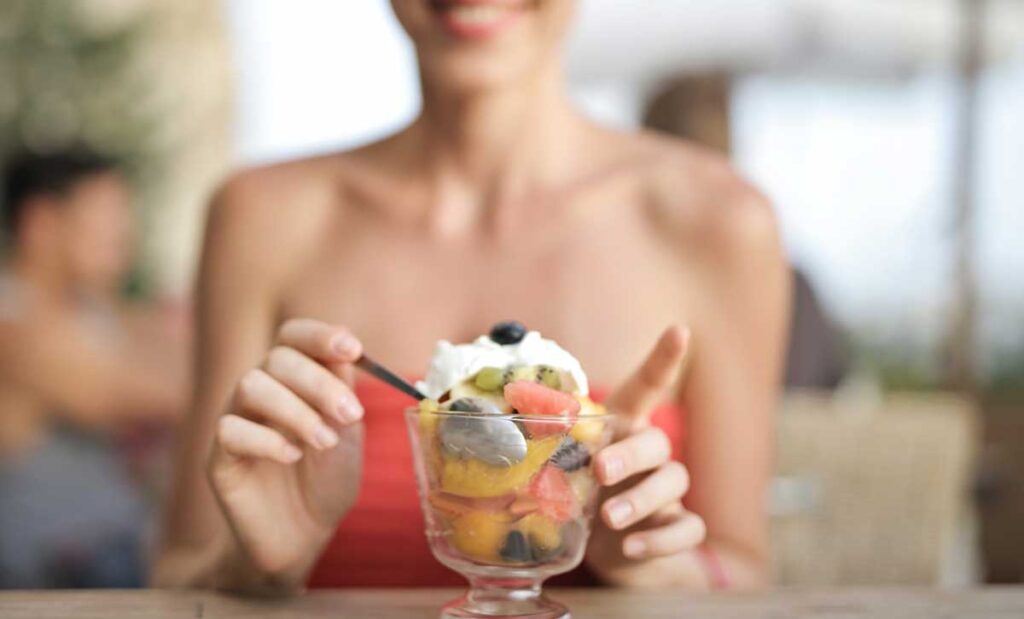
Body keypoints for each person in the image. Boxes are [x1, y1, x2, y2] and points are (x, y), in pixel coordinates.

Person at [155, 0, 790, 594]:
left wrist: (656, 565)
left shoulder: (720, 222)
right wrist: (258, 569)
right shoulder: (260, 219)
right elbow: (178, 576)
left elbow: (743, 574)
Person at [0, 149, 186, 588]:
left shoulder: (88, 313)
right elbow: (162, 392)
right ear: (41, 221)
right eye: (107, 217)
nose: (124, 235)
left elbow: (181, 354)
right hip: (50, 575)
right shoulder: (14, 322)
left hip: (108, 556)